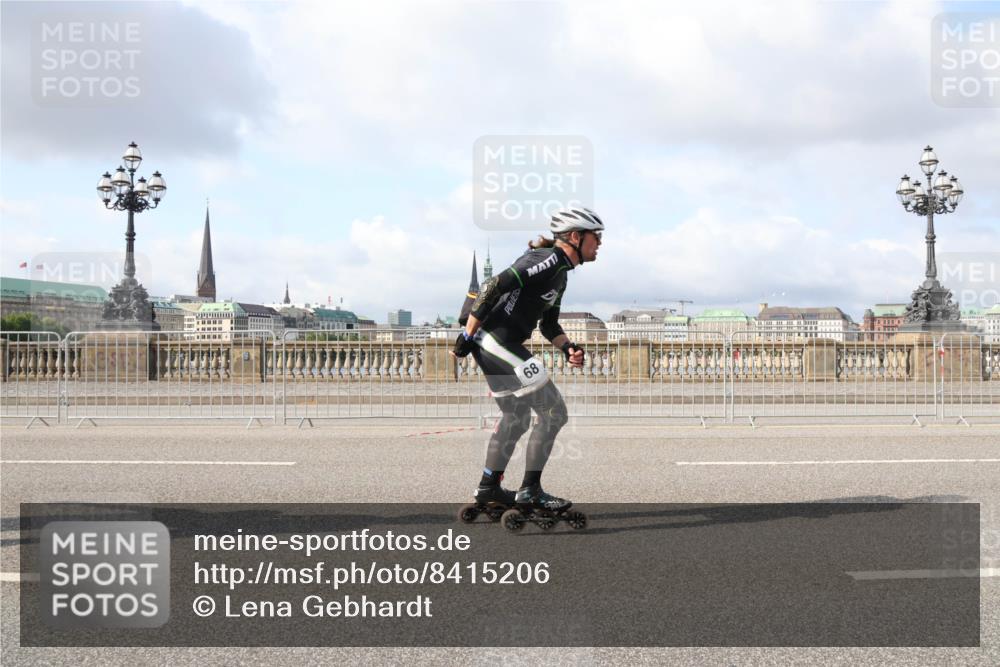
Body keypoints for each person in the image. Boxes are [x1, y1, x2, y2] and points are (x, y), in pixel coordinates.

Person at [453, 207, 604, 514]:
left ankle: (489, 488)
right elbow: (493, 285)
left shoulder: (561, 275)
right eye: (596, 237)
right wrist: (468, 334)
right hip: (495, 341)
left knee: (517, 417)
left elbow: (549, 326)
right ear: (576, 237)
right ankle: (530, 492)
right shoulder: (547, 260)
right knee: (554, 413)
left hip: (497, 344)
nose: (599, 243)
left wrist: (568, 348)